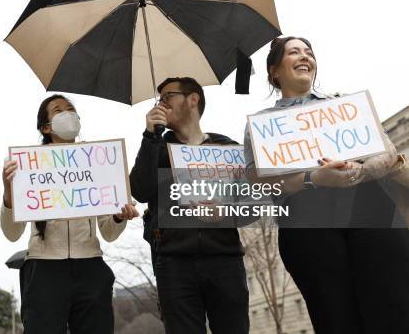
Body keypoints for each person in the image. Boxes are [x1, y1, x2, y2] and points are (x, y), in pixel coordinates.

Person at [243, 36, 409, 333]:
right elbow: (261, 184)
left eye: (309, 52)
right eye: (294, 52)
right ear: (274, 71)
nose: (305, 56)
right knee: (336, 318)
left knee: (395, 308)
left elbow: (388, 155)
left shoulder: (343, 106)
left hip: (372, 216)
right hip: (309, 230)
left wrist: (358, 171)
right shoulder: (261, 126)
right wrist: (314, 177)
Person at [0, 94, 139, 334]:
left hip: (91, 267)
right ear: (46, 127)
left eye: (71, 109)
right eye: (58, 110)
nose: (68, 113)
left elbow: (109, 233)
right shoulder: (25, 167)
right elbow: (12, 234)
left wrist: (118, 217)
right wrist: (9, 193)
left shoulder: (98, 162)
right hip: (43, 270)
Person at [130, 77, 249, 334]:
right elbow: (139, 190)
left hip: (225, 260)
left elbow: (251, 205)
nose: (159, 104)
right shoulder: (157, 148)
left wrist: (225, 211)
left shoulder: (226, 147)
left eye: (166, 97)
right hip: (174, 263)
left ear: (192, 99)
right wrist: (150, 136)